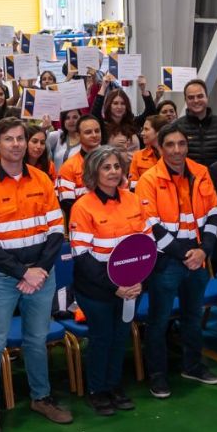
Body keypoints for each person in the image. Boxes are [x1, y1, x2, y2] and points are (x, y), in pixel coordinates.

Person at [0, 118, 71, 432]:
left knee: (36, 340)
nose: (16, 144)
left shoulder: (42, 179)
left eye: (20, 139)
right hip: (3, 278)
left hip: (41, 275)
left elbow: (57, 230)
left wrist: (38, 271)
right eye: (9, 139)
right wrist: (23, 272)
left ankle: (41, 398)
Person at [135, 123, 217, 397]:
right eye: (170, 145)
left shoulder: (201, 173)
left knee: (192, 316)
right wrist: (187, 255)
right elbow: (150, 226)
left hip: (197, 258)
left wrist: (203, 251)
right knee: (159, 320)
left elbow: (214, 214)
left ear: (187, 146)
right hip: (166, 263)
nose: (176, 150)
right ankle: (158, 375)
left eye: (181, 144)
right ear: (160, 148)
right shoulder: (148, 180)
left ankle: (193, 365)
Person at [68, 146, 148, 415]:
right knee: (101, 338)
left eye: (116, 166)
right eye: (106, 167)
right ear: (94, 172)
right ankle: (97, 390)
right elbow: (83, 257)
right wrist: (116, 286)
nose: (113, 172)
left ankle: (114, 385)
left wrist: (138, 282)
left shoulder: (133, 200)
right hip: (97, 290)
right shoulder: (82, 207)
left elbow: (147, 245)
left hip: (131, 287)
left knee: (120, 336)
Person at [57, 115, 105, 215]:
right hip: (84, 223)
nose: (94, 135)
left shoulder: (113, 162)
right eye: (88, 132)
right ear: (78, 136)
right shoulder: (68, 167)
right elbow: (67, 205)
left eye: (97, 131)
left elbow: (122, 195)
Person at [173, 79, 217, 165]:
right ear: (185, 100)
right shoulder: (176, 127)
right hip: (189, 177)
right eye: (191, 97)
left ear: (207, 97)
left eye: (200, 96)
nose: (196, 100)